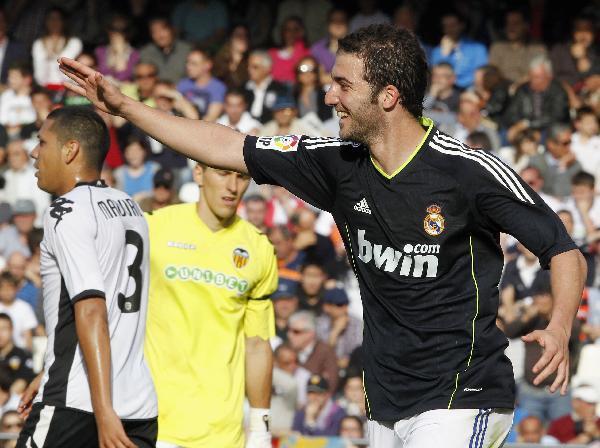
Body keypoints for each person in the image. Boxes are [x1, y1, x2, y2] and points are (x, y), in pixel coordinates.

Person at [59, 22, 587, 448]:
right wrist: (125, 106)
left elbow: (562, 249)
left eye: (343, 84)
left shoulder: (467, 172)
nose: (328, 93)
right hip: (384, 402)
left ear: (388, 96)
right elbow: (224, 144)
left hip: (463, 395)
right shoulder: (336, 165)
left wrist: (560, 326)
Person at [17, 107, 158, 447]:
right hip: (139, 404)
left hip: (81, 404)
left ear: (70, 150)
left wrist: (103, 409)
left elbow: (93, 309)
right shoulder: (129, 206)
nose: (34, 152)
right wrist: (52, 364)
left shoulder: (65, 210)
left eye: (42, 142)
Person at [143, 162, 277, 447]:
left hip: (223, 434)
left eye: (241, 177)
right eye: (223, 174)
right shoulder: (152, 227)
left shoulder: (259, 249)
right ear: (198, 174)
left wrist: (261, 427)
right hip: (153, 427)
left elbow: (257, 344)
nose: (233, 186)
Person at [488, 9, 547, 84]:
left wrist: (518, 85)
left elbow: (540, 74)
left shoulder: (538, 48)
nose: (511, 27)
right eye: (508, 23)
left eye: (516, 23)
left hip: (530, 89)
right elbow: (492, 74)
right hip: (502, 89)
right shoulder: (497, 48)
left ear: (526, 26)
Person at [31, 8, 82, 89]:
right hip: (45, 90)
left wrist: (52, 54)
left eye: (58, 19)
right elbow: (39, 78)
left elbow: (67, 76)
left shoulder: (74, 42)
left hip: (69, 89)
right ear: (46, 22)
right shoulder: (38, 44)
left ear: (64, 22)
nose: (54, 22)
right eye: (51, 19)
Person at [177, 48, 226, 121]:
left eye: (194, 64)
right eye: (188, 62)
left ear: (207, 65)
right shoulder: (183, 84)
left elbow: (210, 119)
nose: (188, 67)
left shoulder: (218, 88)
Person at [139, 17, 191, 84]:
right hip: (154, 92)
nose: (159, 35)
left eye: (163, 30)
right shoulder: (146, 52)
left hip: (182, 92)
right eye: (154, 32)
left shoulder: (186, 50)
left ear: (172, 30)